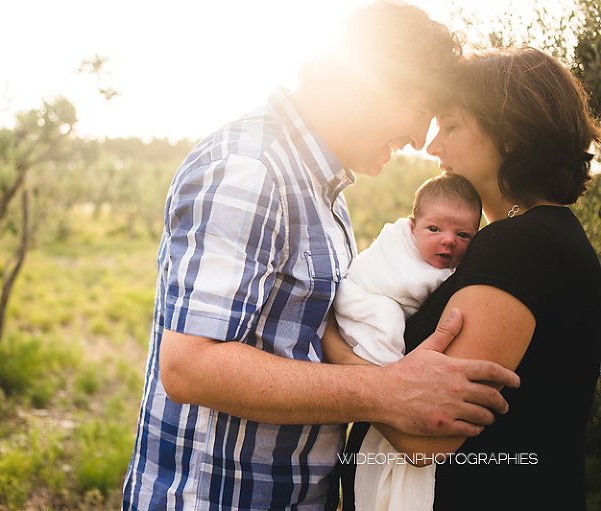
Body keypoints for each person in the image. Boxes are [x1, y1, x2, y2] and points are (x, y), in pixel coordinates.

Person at [122, 2, 520, 509]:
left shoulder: (317, 184)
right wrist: (386, 392)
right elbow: (190, 367)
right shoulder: (252, 168)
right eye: (423, 112)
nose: (421, 140)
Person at [339, 46, 601, 510]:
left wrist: (332, 342)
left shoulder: (520, 245)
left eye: (451, 126)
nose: (432, 146)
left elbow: (427, 438)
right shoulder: (545, 236)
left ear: (510, 133)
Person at [323, 173, 482, 511]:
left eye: (463, 235)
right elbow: (412, 285)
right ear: (412, 226)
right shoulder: (400, 251)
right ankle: (387, 380)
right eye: (434, 229)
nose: (448, 241)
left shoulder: (432, 254)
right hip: (363, 299)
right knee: (386, 323)